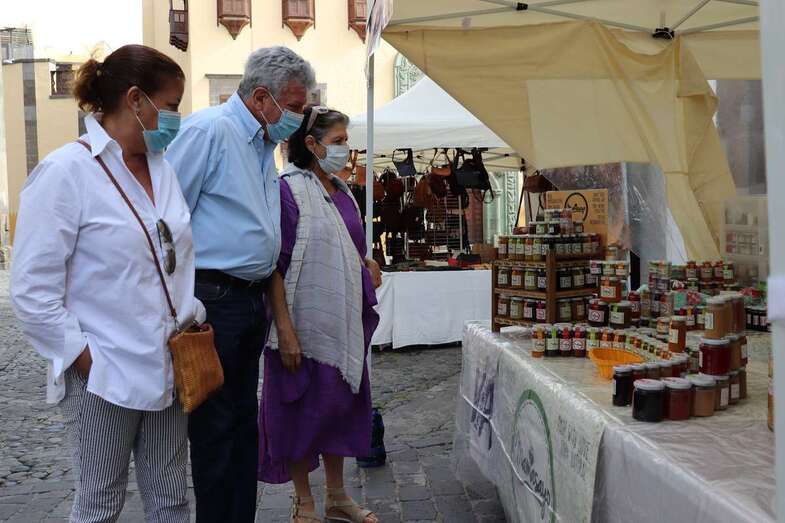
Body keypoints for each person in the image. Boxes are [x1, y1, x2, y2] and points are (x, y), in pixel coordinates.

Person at [10, 44, 202, 522]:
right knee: (99, 504)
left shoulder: (163, 169)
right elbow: (32, 291)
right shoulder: (65, 173)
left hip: (168, 364)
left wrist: (190, 317)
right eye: (171, 105)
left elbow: (174, 260)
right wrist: (87, 360)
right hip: (103, 373)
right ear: (136, 100)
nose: (176, 118)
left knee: (172, 498)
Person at [165, 46, 315, 522]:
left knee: (242, 426)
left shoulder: (260, 142)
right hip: (215, 297)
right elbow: (168, 220)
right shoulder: (209, 131)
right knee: (216, 431)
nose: (299, 117)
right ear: (262, 97)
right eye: (294, 106)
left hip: (250, 300)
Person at [258, 106, 382, 523]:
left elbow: (349, 247)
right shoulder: (288, 191)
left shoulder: (342, 191)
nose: (346, 149)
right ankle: (305, 503)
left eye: (347, 140)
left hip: (341, 323)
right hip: (303, 326)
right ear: (311, 144)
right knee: (299, 413)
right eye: (338, 141)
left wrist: (366, 265)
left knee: (338, 408)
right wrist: (285, 330)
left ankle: (337, 496)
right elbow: (275, 266)